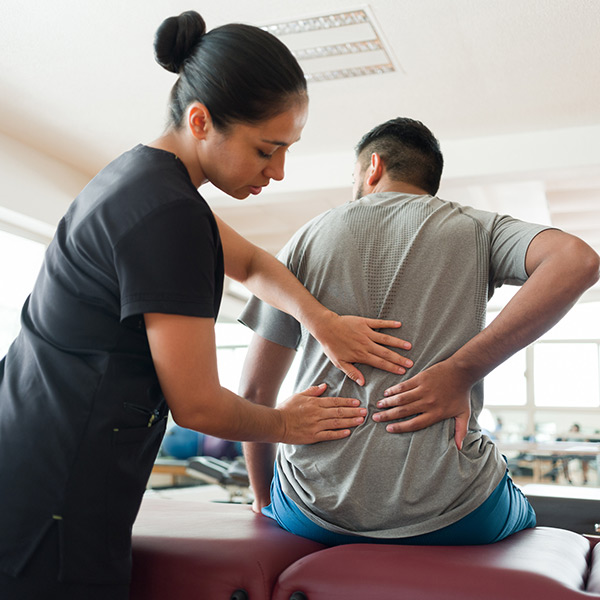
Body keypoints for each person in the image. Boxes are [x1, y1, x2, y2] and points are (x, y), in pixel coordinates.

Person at [0, 13, 413, 599]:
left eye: (287, 149)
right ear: (201, 121)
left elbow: (254, 264)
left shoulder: (138, 179)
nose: (279, 170)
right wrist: (285, 424)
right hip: (54, 495)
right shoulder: (168, 216)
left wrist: (320, 321)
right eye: (266, 149)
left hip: (30, 455)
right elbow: (195, 404)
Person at [239, 117, 600, 547]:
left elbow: (255, 394)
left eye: (353, 177)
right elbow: (576, 260)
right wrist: (461, 371)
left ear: (372, 168)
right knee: (523, 511)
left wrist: (262, 498)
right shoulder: (477, 227)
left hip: (310, 510)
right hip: (454, 512)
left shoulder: (305, 238)